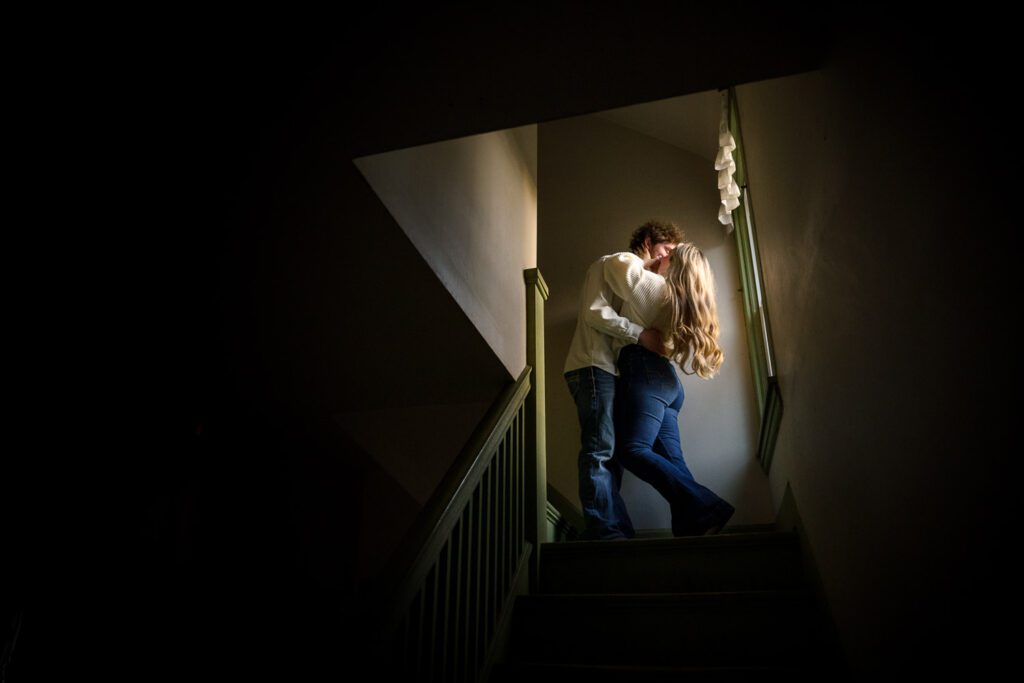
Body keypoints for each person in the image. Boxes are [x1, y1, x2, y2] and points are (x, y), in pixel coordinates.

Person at [563, 220, 684, 540]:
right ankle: (606, 533)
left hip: (612, 371)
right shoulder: (620, 262)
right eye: (666, 250)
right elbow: (593, 313)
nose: (666, 258)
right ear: (648, 241)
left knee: (613, 454)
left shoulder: (643, 282)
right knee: (600, 450)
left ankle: (616, 531)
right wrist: (641, 335)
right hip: (592, 367)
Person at [611, 242, 735, 536]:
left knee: (632, 450)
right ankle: (691, 528)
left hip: (644, 374)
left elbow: (618, 269)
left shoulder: (653, 287)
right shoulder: (682, 299)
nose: (661, 256)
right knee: (673, 462)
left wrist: (644, 260)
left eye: (669, 255)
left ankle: (709, 506)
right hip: (666, 382)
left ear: (678, 267)